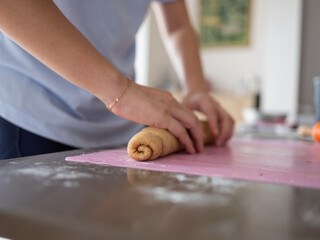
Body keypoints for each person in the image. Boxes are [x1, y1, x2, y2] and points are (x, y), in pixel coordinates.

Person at [0, 0, 234, 160]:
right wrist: (118, 90)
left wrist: (195, 87)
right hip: (32, 114)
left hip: (122, 125)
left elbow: (178, 25)